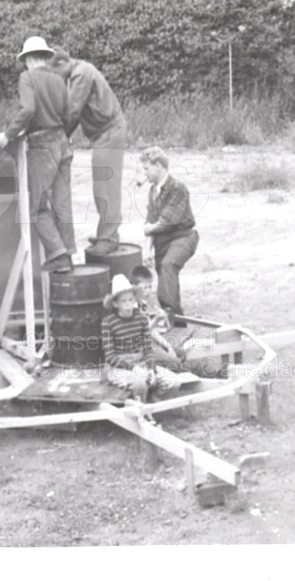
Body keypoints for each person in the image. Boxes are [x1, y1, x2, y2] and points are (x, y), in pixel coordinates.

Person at [0, 36, 75, 273]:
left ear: (28, 58)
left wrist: (8, 134)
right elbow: (69, 113)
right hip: (63, 142)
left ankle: (58, 255)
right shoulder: (59, 79)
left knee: (37, 207)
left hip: (42, 144)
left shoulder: (27, 77)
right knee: (62, 204)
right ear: (46, 56)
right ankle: (68, 252)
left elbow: (28, 109)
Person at [49, 47, 128, 256]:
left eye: (53, 72)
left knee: (106, 187)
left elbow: (72, 111)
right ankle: (107, 234)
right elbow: (74, 113)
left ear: (61, 65)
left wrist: (56, 136)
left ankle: (109, 238)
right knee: (101, 187)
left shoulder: (80, 74)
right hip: (104, 133)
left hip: (109, 131)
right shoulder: (76, 73)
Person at [100, 274, 180, 402]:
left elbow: (148, 348)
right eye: (123, 301)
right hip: (118, 367)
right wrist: (134, 369)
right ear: (115, 304)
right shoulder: (108, 323)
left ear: (135, 300)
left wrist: (152, 369)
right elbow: (110, 356)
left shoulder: (141, 318)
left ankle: (150, 405)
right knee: (140, 385)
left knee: (174, 382)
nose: (128, 304)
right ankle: (142, 414)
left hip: (141, 362)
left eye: (130, 300)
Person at [141, 151, 199, 323]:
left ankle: (172, 316)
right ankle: (177, 320)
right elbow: (150, 225)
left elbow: (165, 223)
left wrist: (149, 228)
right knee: (165, 277)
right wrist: (147, 251)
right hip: (163, 239)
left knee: (168, 265)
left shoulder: (177, 188)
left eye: (146, 168)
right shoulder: (153, 191)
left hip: (184, 236)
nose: (144, 173)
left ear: (158, 166)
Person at [129, 265, 186, 372]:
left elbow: (153, 332)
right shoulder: (131, 307)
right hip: (139, 350)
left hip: (149, 344)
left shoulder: (143, 304)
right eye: (145, 287)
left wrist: (168, 347)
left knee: (180, 353)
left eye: (150, 287)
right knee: (176, 362)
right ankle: (154, 371)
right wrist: (156, 320)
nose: (149, 291)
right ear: (134, 287)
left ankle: (161, 369)